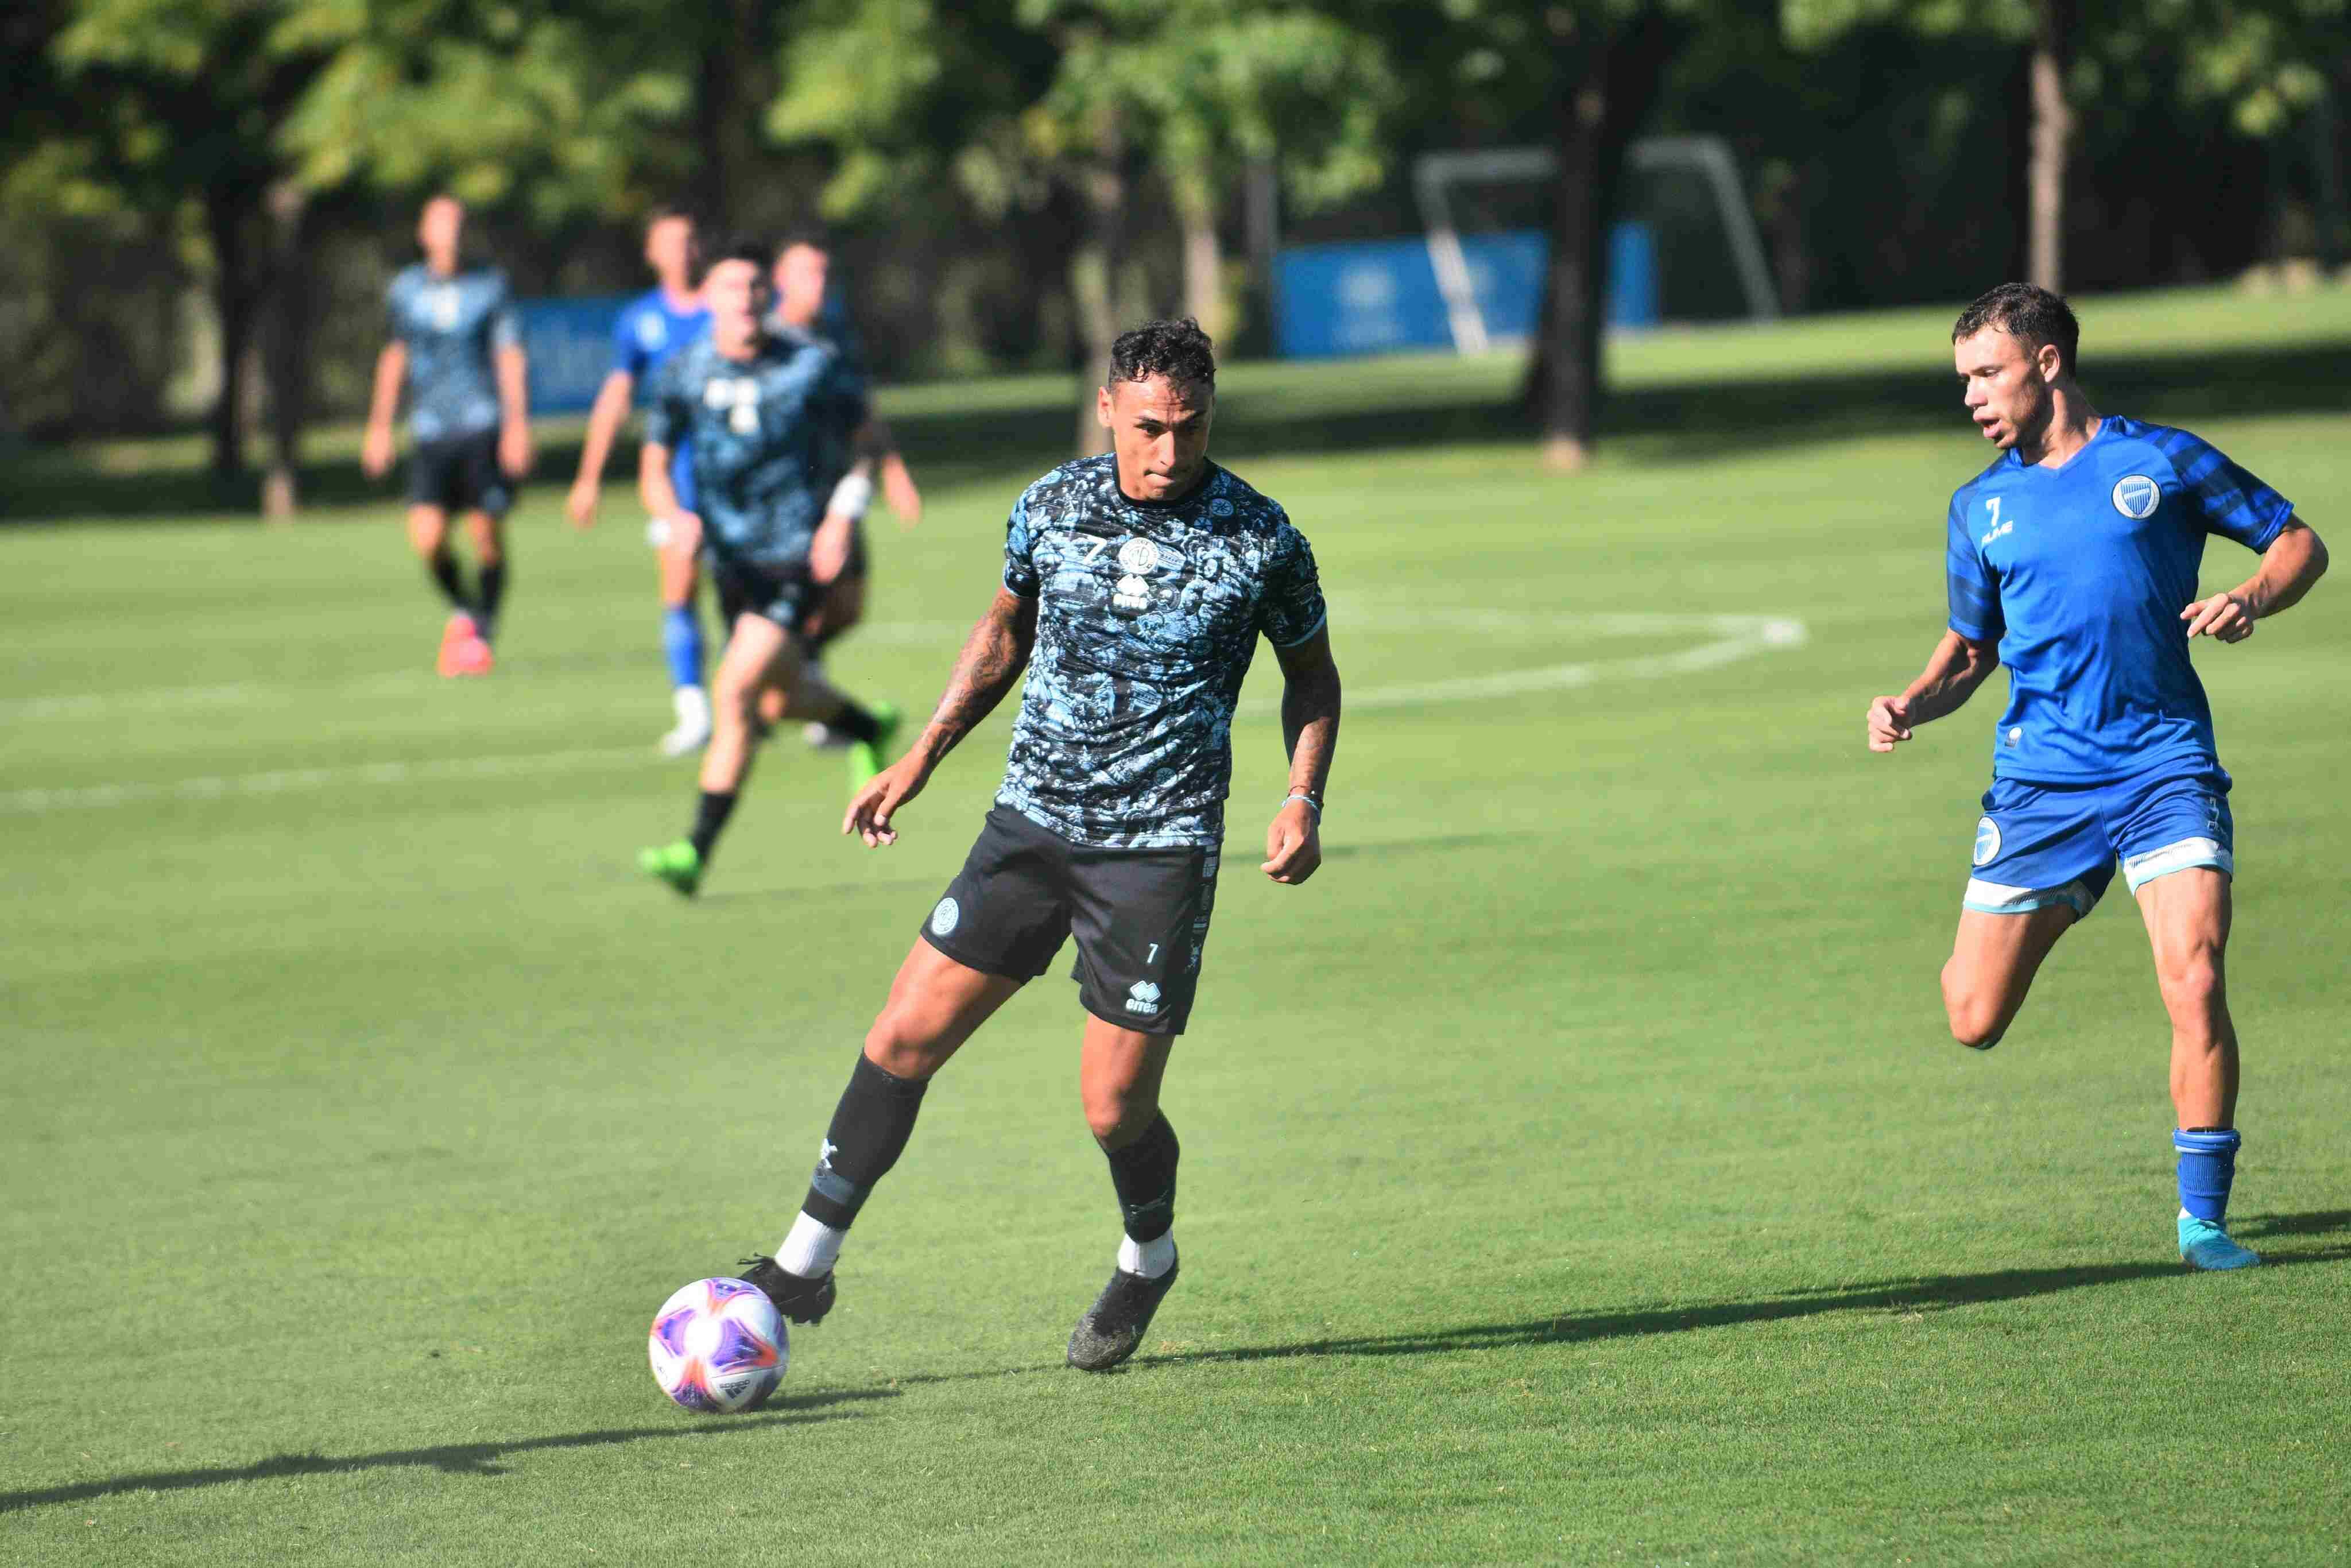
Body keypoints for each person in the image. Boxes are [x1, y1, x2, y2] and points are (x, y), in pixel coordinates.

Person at [731, 318, 1343, 1372]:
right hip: (1031, 826)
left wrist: (1302, 797)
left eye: (1190, 431)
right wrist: (922, 752)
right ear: (1108, 407)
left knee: (1112, 1107)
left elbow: (1313, 677)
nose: (1168, 451)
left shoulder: (1262, 537)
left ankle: (1147, 1258)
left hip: (1158, 851)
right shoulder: (1050, 508)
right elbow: (1005, 631)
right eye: (1149, 426)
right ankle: (800, 1265)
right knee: (901, 1036)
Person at [1866, 282, 2327, 1272]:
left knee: (2196, 978)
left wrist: (2249, 596)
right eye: (1963, 381)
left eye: (1986, 373)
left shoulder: (2161, 459)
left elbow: (2299, 542)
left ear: (2046, 362)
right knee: (1972, 1018)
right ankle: (2070, 882)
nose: (1972, 398)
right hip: (2044, 785)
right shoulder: (1979, 506)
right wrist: (1910, 701)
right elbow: (1968, 651)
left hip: (2164, 762)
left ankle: (2203, 1220)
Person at [635, 241, 900, 897]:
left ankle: (694, 848)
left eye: (756, 287)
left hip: (796, 555)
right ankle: (862, 725)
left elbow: (866, 445)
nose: (746, 299)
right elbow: (653, 466)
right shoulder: (684, 371)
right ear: (710, 301)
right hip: (731, 563)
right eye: (731, 288)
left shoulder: (812, 364)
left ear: (766, 295)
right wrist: (675, 519)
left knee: (733, 694)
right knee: (777, 698)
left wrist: (842, 515)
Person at [567, 206, 716, 754]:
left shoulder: (729, 304)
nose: (684, 251)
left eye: (692, 239)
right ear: (652, 254)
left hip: (742, 473)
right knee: (678, 586)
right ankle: (694, 709)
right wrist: (589, 478)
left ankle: (781, 694)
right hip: (675, 476)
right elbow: (615, 398)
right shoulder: (640, 321)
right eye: (671, 242)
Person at [362, 195, 532, 676]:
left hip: (481, 426)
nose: (451, 233)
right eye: (441, 224)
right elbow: (395, 358)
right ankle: (466, 610)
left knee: (486, 536)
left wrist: (517, 426)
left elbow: (509, 357)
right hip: (430, 431)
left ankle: (484, 626)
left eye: (458, 223)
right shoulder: (406, 289)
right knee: (428, 538)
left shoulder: (490, 287)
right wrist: (378, 427)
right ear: (424, 233)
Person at [766, 233, 923, 749]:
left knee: (849, 605)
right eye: (807, 273)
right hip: (790, 498)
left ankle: (794, 678)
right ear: (780, 281)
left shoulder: (836, 338)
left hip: (842, 487)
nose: (819, 283)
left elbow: (864, 413)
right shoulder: (768, 344)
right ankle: (797, 697)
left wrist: (894, 471)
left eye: (824, 273)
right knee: (808, 594)